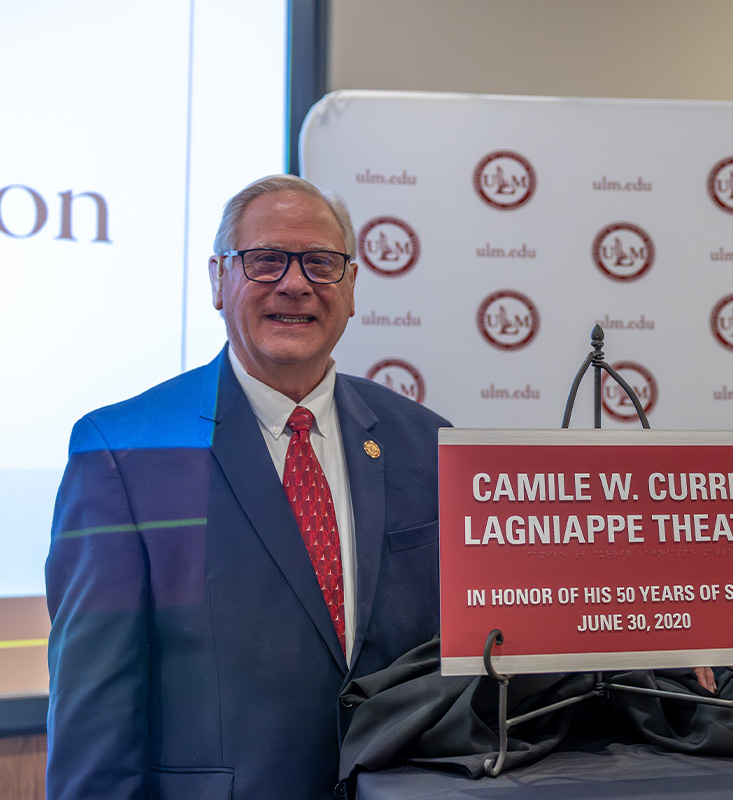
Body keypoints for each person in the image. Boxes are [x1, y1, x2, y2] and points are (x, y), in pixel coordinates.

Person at [45, 175, 449, 800]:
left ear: (350, 287)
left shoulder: (428, 443)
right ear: (217, 280)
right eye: (265, 261)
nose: (295, 283)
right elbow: (94, 706)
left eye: (321, 262)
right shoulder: (123, 453)